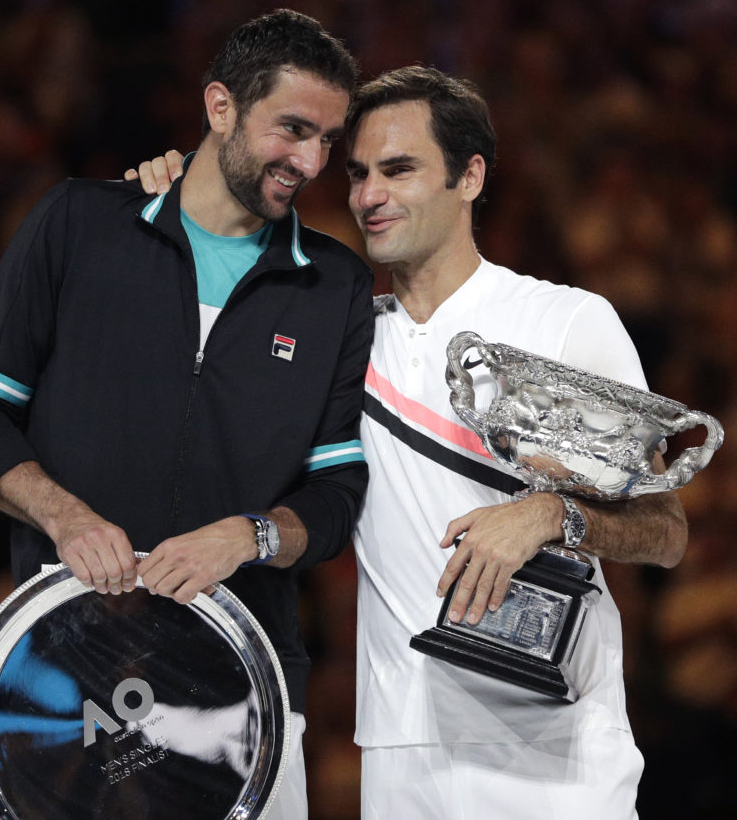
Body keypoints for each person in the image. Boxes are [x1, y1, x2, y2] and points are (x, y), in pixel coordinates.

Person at [135, 65, 688, 819]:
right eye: (359, 173)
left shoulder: (566, 322)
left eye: (399, 170)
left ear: (470, 176)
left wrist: (549, 514)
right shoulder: (342, 336)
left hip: (559, 745)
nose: (368, 195)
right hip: (402, 749)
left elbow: (665, 529)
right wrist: (178, 188)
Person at [0, 10, 373, 820]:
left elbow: (337, 491)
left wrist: (250, 534)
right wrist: (64, 515)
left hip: (241, 686)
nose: (310, 161)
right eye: (292, 128)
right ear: (220, 106)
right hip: (60, 675)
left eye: (329, 140)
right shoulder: (80, 225)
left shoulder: (334, 286)